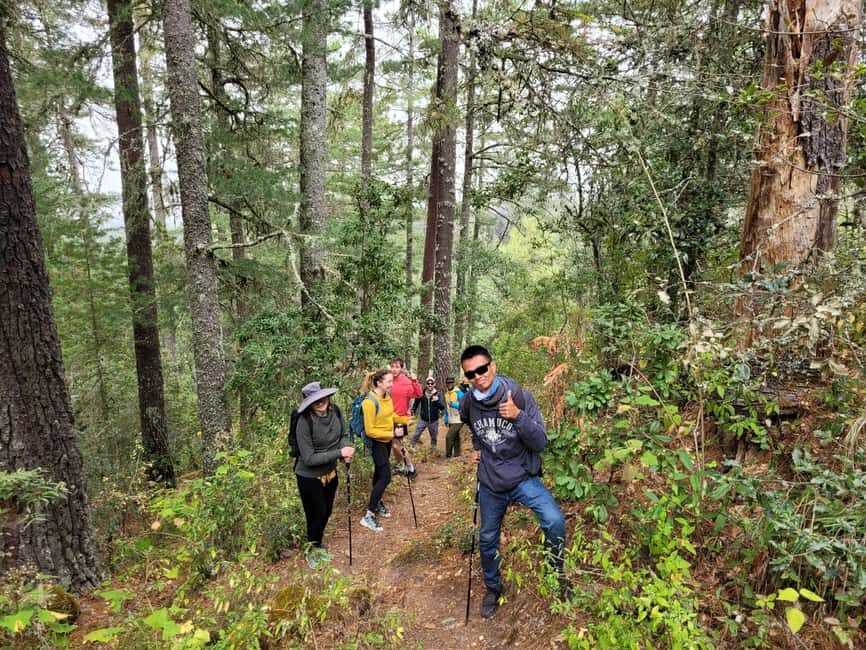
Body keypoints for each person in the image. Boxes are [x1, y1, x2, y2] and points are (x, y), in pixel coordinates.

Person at [459, 345, 568, 618]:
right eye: (470, 373)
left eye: (482, 369)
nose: (478, 376)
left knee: (554, 520)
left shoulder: (519, 396)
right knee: (487, 538)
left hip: (522, 477)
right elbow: (471, 426)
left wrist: (517, 416)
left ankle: (556, 575)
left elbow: (541, 442)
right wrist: (477, 447)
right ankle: (494, 588)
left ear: (492, 366)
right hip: (491, 482)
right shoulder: (468, 402)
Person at [294, 381, 355, 568]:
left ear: (327, 397)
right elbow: (309, 458)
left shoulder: (335, 411)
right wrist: (339, 454)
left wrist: (345, 446)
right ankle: (312, 550)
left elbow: (343, 434)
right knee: (316, 514)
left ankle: (318, 543)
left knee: (326, 512)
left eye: (322, 399)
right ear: (310, 403)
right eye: (315, 401)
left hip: (330, 473)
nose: (320, 403)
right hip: (309, 477)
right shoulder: (304, 423)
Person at [360, 368, 412, 533]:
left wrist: (404, 420)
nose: (392, 384)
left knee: (378, 473)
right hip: (377, 443)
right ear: (379, 383)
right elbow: (370, 430)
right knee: (385, 476)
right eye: (389, 381)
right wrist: (390, 433)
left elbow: (391, 416)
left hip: (387, 442)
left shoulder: (386, 398)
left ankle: (377, 502)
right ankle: (368, 515)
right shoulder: (369, 402)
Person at [389, 357, 421, 476]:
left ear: (402, 368)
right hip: (388, 418)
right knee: (394, 446)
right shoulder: (388, 380)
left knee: (397, 444)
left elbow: (418, 394)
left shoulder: (406, 381)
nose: (394, 369)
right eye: (392, 366)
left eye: (397, 367)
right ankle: (401, 466)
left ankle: (411, 468)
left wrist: (414, 381)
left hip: (401, 418)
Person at [410, 377, 445, 449]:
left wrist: (437, 401)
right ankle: (411, 446)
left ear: (434, 384)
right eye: (428, 383)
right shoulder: (421, 393)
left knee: (434, 436)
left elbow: (442, 407)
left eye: (431, 383)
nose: (430, 385)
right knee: (416, 434)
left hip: (433, 420)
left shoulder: (438, 394)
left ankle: (433, 450)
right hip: (423, 419)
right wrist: (413, 410)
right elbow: (416, 403)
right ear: (426, 384)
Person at [443, 376, 465, 458]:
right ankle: (457, 454)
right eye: (448, 383)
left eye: (451, 383)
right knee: (455, 436)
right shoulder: (446, 394)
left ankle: (448, 455)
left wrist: (454, 404)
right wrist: (446, 418)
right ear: (446, 384)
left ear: (453, 383)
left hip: (459, 418)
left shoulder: (458, 392)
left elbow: (464, 404)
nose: (449, 384)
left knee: (449, 436)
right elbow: (446, 408)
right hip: (451, 418)